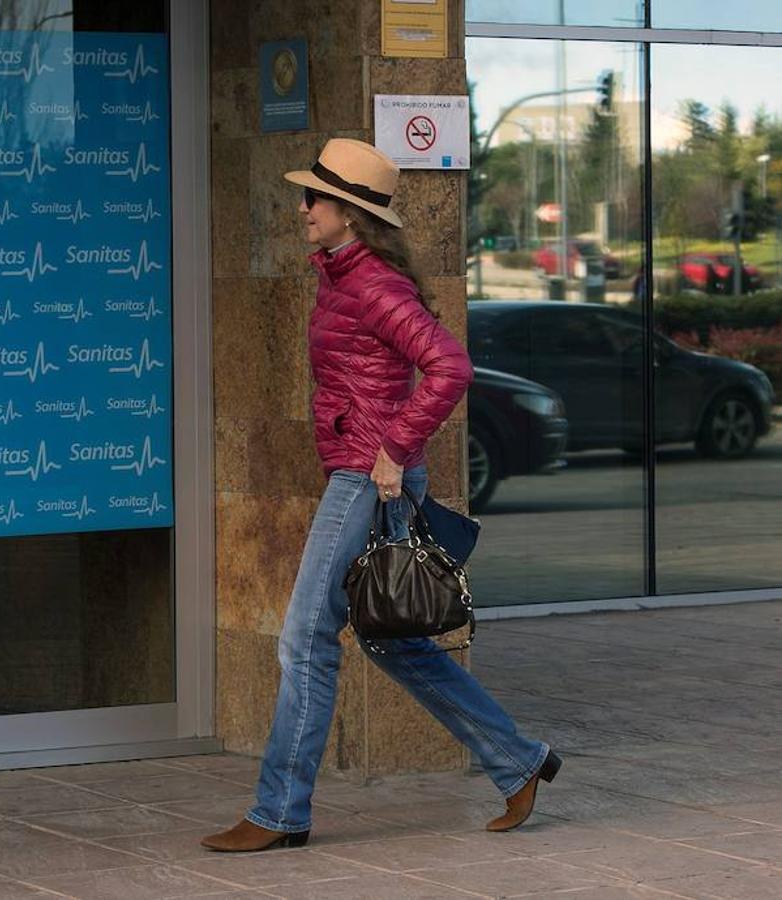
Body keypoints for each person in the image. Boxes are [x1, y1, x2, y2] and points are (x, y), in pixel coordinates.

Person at [201, 139, 562, 853]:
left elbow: (449, 367)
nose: (302, 208)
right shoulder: (343, 277)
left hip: (368, 475)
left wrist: (395, 448)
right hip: (366, 470)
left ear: (348, 214)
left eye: (315, 198)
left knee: (306, 637)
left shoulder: (371, 285)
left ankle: (280, 813)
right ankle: (518, 759)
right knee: (393, 643)